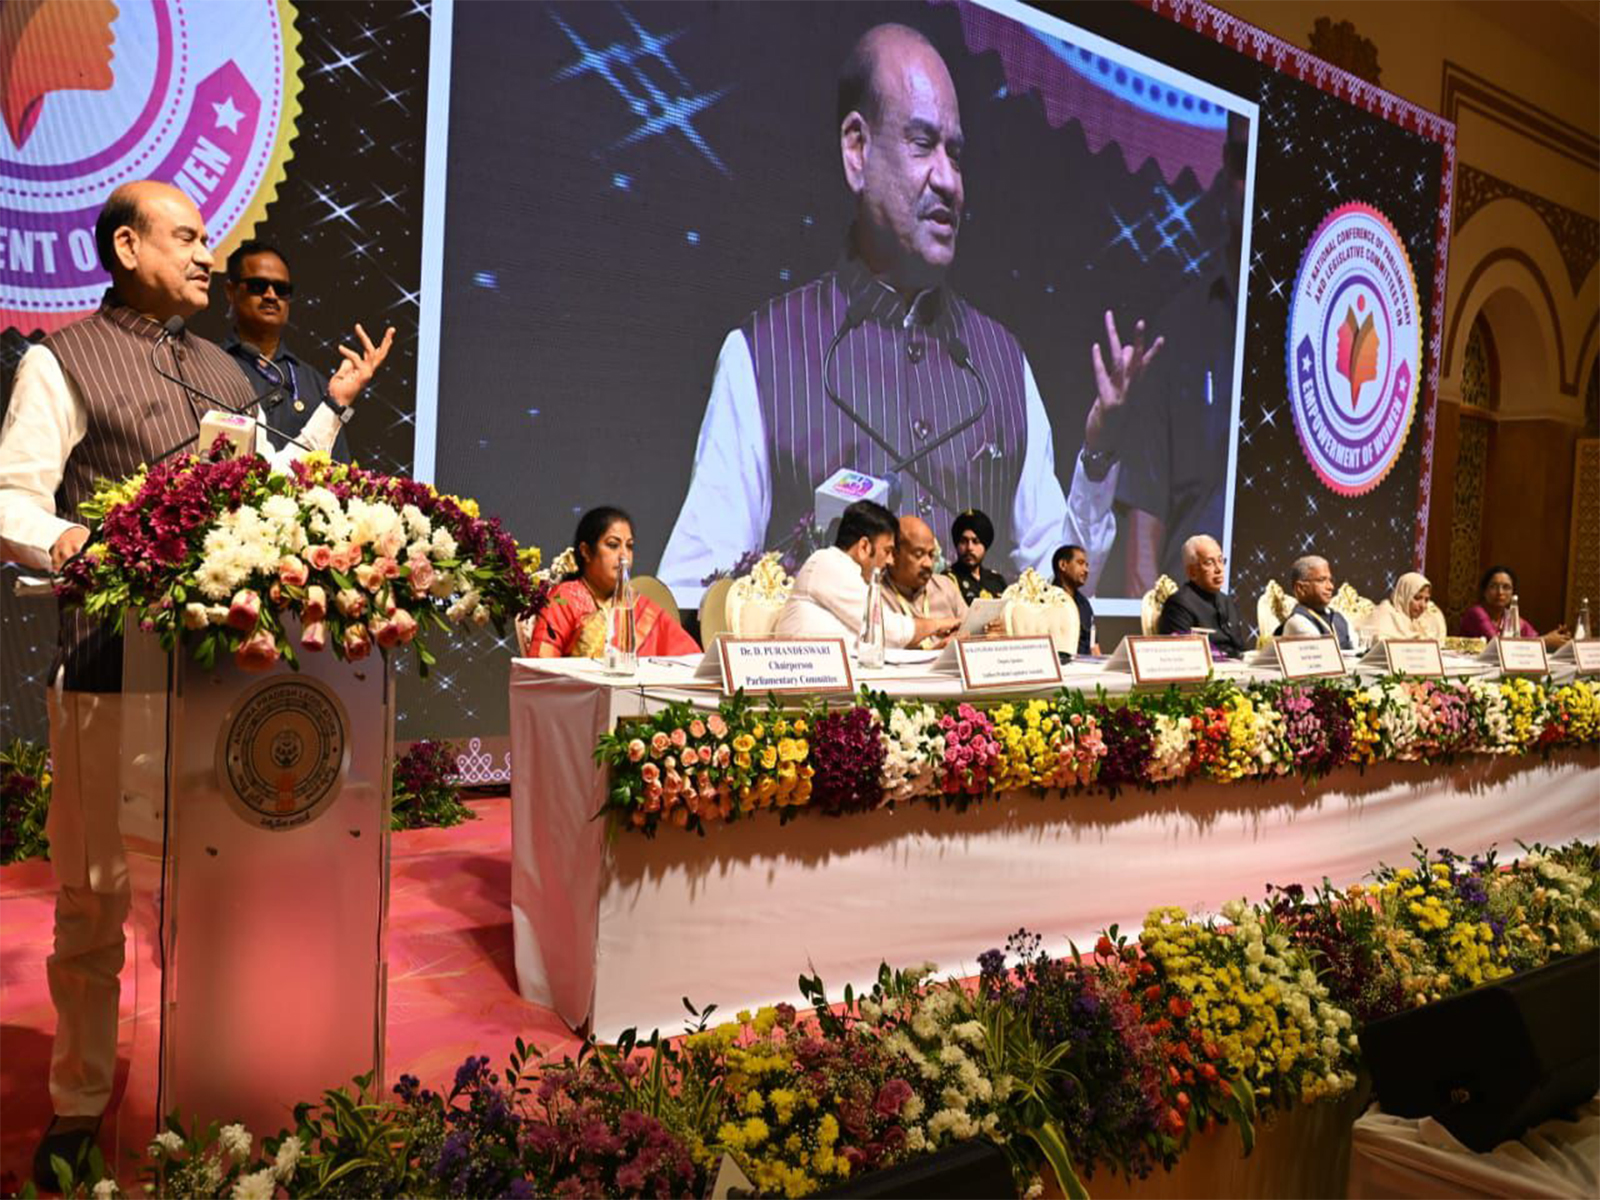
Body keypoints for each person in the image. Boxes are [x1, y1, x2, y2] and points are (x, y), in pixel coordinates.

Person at [0, 180, 388, 1187]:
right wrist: (86, 544)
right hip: (103, 680)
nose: (207, 253)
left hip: (221, 688)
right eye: (187, 236)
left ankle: (218, 1096)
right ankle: (81, 1109)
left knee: (218, 909)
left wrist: (332, 419)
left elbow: (271, 489)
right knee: (93, 906)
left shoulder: (223, 368)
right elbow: (12, 501)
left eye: (207, 235)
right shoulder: (59, 359)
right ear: (127, 245)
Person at [656, 22, 1161, 600]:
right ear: (857, 149)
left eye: (957, 153)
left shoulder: (1002, 362)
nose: (948, 180)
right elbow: (698, 594)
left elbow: (1054, 584)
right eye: (922, 144)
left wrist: (1097, 457)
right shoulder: (763, 354)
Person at [222, 239, 394, 460]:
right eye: (258, 286)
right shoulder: (211, 367)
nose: (271, 295)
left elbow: (337, 469)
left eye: (282, 289)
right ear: (230, 291)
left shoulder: (316, 384)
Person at [776, 499, 960, 648]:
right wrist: (937, 624)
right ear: (864, 547)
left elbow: (877, 646)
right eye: (887, 551)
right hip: (806, 683)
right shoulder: (827, 563)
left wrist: (933, 655)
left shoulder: (852, 576)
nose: (890, 561)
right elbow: (889, 630)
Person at [526, 507, 700, 658]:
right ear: (586, 551)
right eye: (613, 545)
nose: (624, 556)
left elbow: (689, 658)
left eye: (629, 546)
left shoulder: (639, 607)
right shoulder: (566, 598)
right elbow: (540, 666)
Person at [880, 514, 966, 649]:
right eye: (919, 554)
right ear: (893, 555)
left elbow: (969, 629)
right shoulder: (875, 593)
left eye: (932, 555)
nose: (928, 564)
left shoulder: (945, 586)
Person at [1157, 534, 1250, 657]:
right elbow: (1183, 655)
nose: (1219, 569)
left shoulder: (1226, 601)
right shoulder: (1178, 605)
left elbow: (1240, 647)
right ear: (1192, 572)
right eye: (1209, 562)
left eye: (1221, 560)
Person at [1458, 565, 1570, 650]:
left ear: (1513, 593)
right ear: (1484, 591)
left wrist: (1556, 638)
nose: (1500, 592)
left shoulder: (1510, 617)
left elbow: (1533, 637)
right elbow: (1498, 645)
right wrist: (1545, 641)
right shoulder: (1476, 613)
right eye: (1493, 586)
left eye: (1506, 587)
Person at [1275, 555, 1354, 651]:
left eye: (1330, 580)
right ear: (1301, 588)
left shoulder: (1339, 618)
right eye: (1321, 580)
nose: (1330, 587)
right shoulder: (1297, 623)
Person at [1360, 572, 1447, 642]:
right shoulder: (1385, 615)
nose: (1423, 605)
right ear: (1404, 595)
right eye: (1417, 598)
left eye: (1426, 600)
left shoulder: (1424, 620)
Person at [947, 508, 1007, 604]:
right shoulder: (947, 580)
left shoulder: (996, 580)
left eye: (976, 542)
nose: (969, 547)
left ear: (985, 546)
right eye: (963, 541)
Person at [1052, 543, 1098, 655]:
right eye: (1080, 563)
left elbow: (1094, 646)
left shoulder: (1084, 604)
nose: (1086, 570)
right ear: (1063, 565)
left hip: (1085, 667)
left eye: (1087, 565)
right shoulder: (1047, 600)